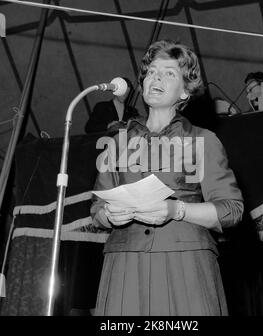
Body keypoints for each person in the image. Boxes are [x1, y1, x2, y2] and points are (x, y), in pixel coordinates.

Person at [91, 40, 244, 316]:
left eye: (169, 73)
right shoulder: (116, 144)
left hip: (184, 265)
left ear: (185, 91)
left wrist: (177, 209)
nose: (156, 78)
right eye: (151, 72)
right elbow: (96, 210)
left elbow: (231, 210)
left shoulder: (203, 140)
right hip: (125, 265)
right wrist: (109, 216)